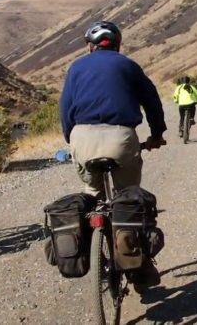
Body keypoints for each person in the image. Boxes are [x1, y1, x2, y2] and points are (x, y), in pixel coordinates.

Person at [59, 21, 167, 290]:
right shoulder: (128, 65)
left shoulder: (76, 67)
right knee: (128, 197)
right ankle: (138, 265)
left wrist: (71, 140)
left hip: (81, 139)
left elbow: (65, 108)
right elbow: (151, 100)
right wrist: (157, 134)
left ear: (90, 46)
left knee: (92, 193)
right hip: (121, 138)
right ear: (117, 44)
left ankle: (88, 246)